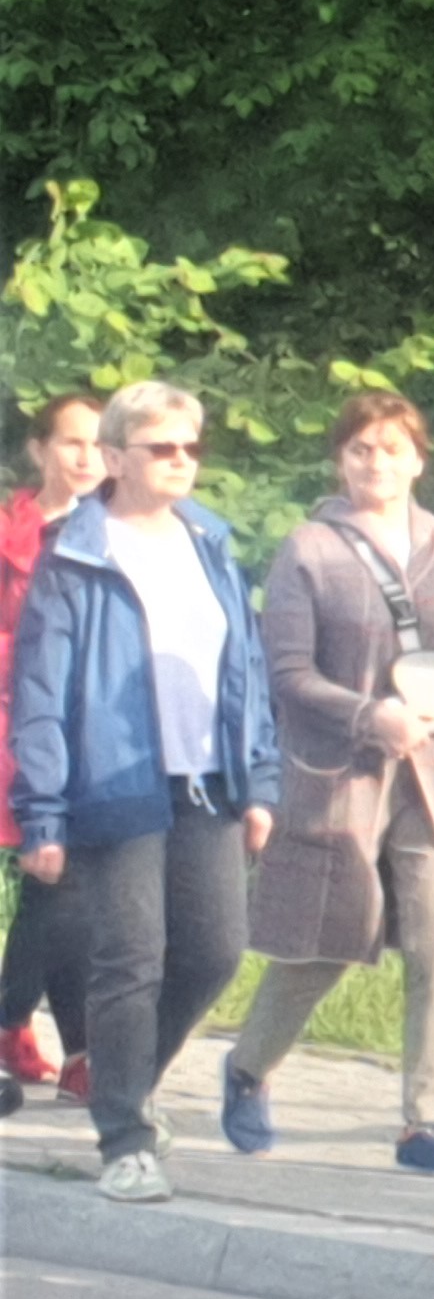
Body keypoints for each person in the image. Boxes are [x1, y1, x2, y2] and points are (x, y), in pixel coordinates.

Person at [222, 392, 434, 1176]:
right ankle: (247, 1067)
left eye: (391, 448)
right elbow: (287, 673)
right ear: (340, 461)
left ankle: (423, 1126)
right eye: (360, 449)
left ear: (419, 460)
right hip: (342, 774)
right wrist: (368, 714)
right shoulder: (308, 550)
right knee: (329, 941)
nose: (376, 462)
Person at [16, 381, 280, 1204]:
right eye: (161, 447)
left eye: (190, 447)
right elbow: (41, 692)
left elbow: (248, 669)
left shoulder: (210, 542)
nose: (180, 460)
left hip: (209, 785)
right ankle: (125, 1140)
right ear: (116, 456)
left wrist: (260, 780)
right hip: (115, 784)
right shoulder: (76, 555)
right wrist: (43, 813)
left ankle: (122, 1083)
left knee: (215, 951)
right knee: (130, 959)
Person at [0, 391, 105, 1095]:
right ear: (40, 449)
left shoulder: (118, 533)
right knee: (58, 876)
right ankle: (28, 1028)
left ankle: (75, 1051)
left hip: (85, 728)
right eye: (73, 442)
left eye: (100, 444)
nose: (87, 457)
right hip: (15, 721)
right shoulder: (10, 532)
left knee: (67, 882)